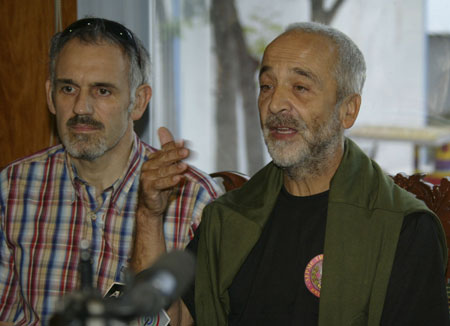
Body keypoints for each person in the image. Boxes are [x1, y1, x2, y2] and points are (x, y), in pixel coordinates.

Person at [182, 22, 449, 325]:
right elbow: (178, 316)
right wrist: (149, 216)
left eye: (300, 87)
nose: (275, 104)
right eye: (267, 86)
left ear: (348, 110)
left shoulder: (403, 228)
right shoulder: (228, 217)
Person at [0, 18, 222, 325]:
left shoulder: (194, 199)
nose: (81, 108)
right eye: (68, 88)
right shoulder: (13, 188)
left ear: (138, 102)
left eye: (102, 91)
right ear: (51, 95)